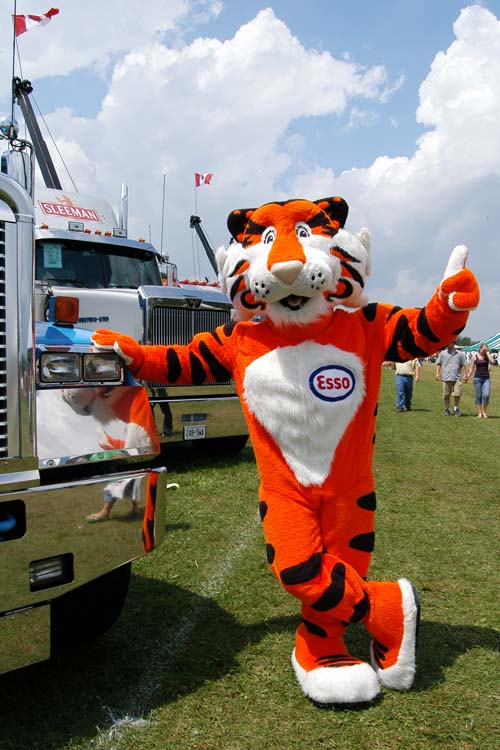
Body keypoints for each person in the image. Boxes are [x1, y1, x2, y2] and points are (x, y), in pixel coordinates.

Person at [434, 341, 468, 416]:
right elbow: (439, 364)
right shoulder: (443, 353)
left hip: (457, 378)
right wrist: (437, 374)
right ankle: (447, 409)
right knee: (446, 395)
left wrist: (465, 375)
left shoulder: (460, 354)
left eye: (450, 343)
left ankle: (456, 408)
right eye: (448, 343)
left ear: (453, 344)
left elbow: (463, 365)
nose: (449, 344)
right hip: (446, 377)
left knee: (457, 394)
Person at [467, 343, 495, 418]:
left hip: (486, 378)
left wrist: (487, 353)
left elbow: (493, 362)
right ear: (480, 348)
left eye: (486, 348)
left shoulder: (487, 355)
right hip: (477, 378)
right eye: (484, 348)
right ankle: (480, 413)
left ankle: (484, 412)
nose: (485, 350)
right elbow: (471, 369)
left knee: (486, 395)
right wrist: (467, 376)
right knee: (478, 396)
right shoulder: (474, 356)